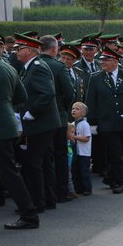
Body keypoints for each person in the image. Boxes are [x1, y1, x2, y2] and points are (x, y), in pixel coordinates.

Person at [0, 33, 40, 229]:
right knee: (5, 172)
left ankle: (29, 215)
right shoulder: (8, 67)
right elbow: (21, 96)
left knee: (9, 174)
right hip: (6, 126)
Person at [15, 33, 62, 212]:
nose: (16, 52)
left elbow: (48, 93)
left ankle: (36, 202)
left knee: (32, 163)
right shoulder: (31, 67)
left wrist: (32, 113)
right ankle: (48, 199)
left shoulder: (37, 67)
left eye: (19, 49)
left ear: (29, 50)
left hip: (41, 124)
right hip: (43, 123)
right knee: (43, 162)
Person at [85, 47, 123, 193]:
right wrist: (92, 123)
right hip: (107, 123)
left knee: (122, 154)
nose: (102, 62)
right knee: (116, 154)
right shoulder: (95, 78)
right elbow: (91, 101)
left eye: (106, 60)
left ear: (116, 61)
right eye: (102, 60)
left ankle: (110, 176)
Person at [39, 35, 75, 203]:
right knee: (60, 155)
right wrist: (63, 109)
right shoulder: (59, 67)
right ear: (55, 49)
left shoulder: (35, 64)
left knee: (44, 157)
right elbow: (69, 93)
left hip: (39, 118)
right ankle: (61, 192)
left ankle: (47, 193)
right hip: (59, 118)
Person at [69, 102, 92, 196]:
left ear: (83, 113)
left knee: (84, 171)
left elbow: (86, 138)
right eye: (73, 108)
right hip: (75, 152)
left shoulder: (85, 124)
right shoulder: (72, 124)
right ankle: (78, 188)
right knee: (75, 171)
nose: (74, 110)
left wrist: (74, 137)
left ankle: (87, 189)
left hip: (84, 152)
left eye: (77, 109)